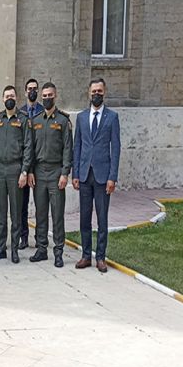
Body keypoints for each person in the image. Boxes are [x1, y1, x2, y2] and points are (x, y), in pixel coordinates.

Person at [73, 78, 121, 273]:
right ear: (88, 93)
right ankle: (86, 255)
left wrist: (113, 177)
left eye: (100, 91)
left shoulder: (112, 117)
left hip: (103, 176)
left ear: (105, 92)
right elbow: (77, 146)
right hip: (84, 175)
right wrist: (75, 173)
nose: (96, 94)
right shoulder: (82, 117)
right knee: (85, 218)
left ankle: (100, 257)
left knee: (102, 218)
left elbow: (116, 148)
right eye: (94, 91)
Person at [0, 85, 33, 264]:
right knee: (1, 211)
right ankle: (1, 248)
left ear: (16, 97)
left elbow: (28, 146)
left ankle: (14, 249)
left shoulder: (23, 119)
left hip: (15, 170)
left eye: (12, 95)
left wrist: (24, 171)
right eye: (6, 96)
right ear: (2, 99)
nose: (9, 99)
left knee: (15, 212)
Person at [29, 82, 73, 268]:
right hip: (39, 171)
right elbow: (30, 149)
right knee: (40, 213)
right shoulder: (36, 120)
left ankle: (58, 251)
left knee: (57, 213)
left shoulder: (63, 121)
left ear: (55, 96)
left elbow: (67, 149)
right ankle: (41, 249)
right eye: (44, 96)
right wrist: (30, 170)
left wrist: (65, 173)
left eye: (50, 95)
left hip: (56, 173)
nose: (47, 98)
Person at [18, 78, 45, 249]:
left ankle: (41, 237)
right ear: (25, 91)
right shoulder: (20, 112)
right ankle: (24, 237)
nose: (32, 91)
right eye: (30, 89)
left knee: (41, 205)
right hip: (24, 166)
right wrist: (25, 170)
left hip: (40, 166)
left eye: (35, 88)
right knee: (22, 205)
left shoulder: (44, 111)